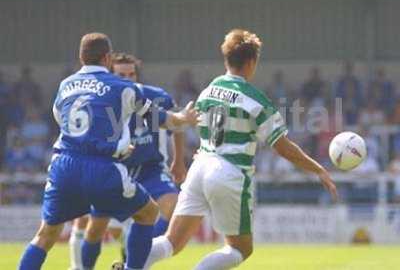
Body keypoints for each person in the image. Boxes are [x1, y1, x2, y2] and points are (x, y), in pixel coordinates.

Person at [143, 29, 337, 270]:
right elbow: (283, 147)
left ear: (226, 59)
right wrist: (318, 169)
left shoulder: (209, 90)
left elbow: (194, 125)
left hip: (200, 167)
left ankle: (132, 263)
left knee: (172, 241)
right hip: (229, 171)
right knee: (240, 248)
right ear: (252, 62)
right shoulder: (255, 99)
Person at [18, 32, 199, 270]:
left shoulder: (65, 86)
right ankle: (131, 268)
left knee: (45, 235)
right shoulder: (122, 88)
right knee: (147, 213)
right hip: (101, 166)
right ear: (107, 58)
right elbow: (162, 119)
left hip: (63, 164)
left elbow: (62, 121)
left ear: (81, 57)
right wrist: (183, 118)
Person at [69, 52, 187, 269]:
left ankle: (135, 261)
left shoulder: (157, 97)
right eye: (121, 74)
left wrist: (179, 161)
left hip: (150, 170)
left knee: (173, 204)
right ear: (111, 74)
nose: (127, 79)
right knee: (96, 227)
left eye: (131, 74)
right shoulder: (102, 101)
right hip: (115, 169)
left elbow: (178, 123)